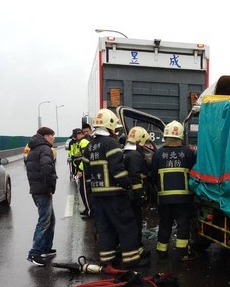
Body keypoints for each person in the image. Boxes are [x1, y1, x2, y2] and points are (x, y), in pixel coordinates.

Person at [82, 109, 142, 267]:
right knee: (127, 226)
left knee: (105, 229)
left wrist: (91, 196)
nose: (117, 131)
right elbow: (118, 171)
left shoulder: (89, 147)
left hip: (97, 197)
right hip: (115, 196)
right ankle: (131, 262)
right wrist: (128, 186)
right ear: (109, 126)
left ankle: (108, 261)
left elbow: (87, 177)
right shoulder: (111, 144)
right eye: (115, 128)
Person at [151, 120, 196, 260]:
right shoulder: (188, 153)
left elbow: (153, 175)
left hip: (164, 198)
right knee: (183, 224)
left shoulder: (158, 154)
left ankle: (161, 251)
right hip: (184, 198)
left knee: (165, 223)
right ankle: (182, 253)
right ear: (181, 137)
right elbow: (195, 172)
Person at [26, 126, 58, 266]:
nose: (53, 138)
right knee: (44, 221)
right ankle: (35, 252)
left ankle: (45, 248)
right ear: (45, 136)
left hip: (37, 189)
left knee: (50, 219)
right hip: (42, 190)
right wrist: (49, 189)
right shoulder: (45, 149)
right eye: (52, 135)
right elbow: (47, 170)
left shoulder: (34, 148)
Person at [123, 126, 151, 250]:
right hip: (133, 196)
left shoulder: (125, 153)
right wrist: (140, 194)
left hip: (126, 195)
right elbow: (135, 176)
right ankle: (136, 249)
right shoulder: (135, 155)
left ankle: (134, 247)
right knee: (135, 223)